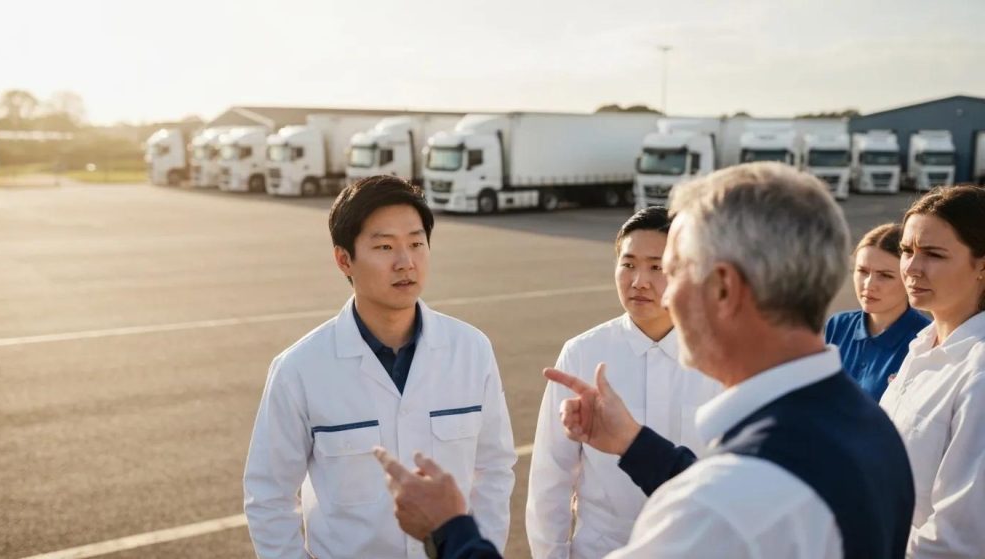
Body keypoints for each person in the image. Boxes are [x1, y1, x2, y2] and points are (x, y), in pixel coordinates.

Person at [376, 162, 915, 559]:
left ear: (724, 288)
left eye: (674, 271)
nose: (659, 290)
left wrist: (450, 528)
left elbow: (726, 503)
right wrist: (636, 446)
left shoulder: (726, 504)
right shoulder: (870, 428)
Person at [243, 175, 516, 559]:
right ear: (344, 259)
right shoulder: (299, 369)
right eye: (385, 246)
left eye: (416, 244)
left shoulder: (471, 350)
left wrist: (472, 549)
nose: (406, 262)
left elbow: (494, 470)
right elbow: (268, 495)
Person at [526, 207, 721, 558]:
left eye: (657, 267)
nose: (639, 281)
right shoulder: (583, 353)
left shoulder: (721, 358)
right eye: (628, 264)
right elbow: (550, 476)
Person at [879, 185, 985, 558]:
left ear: (982, 266)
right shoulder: (923, 345)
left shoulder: (979, 370)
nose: (910, 268)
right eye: (906, 251)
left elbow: (958, 540)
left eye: (934, 254)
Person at [825, 223, 930, 400]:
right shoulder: (838, 325)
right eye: (862, 271)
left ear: (910, 278)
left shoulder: (926, 340)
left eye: (885, 275)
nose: (869, 284)